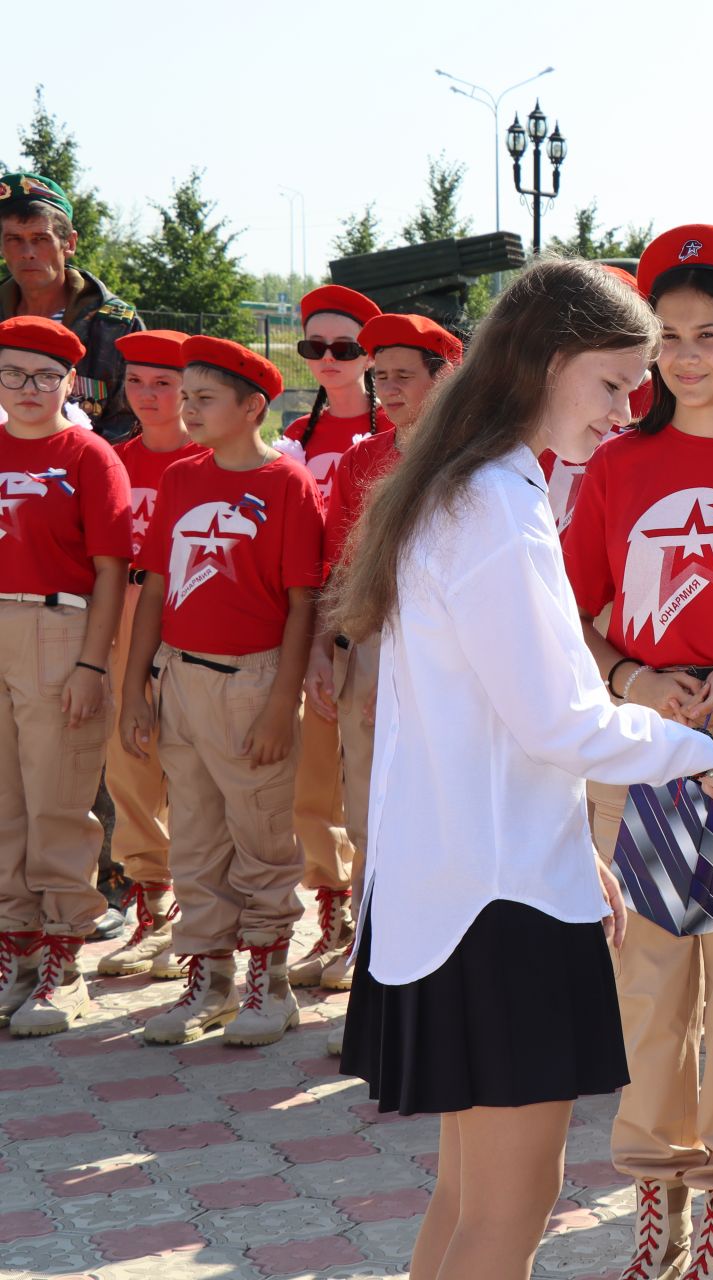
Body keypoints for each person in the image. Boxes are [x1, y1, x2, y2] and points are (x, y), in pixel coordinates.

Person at [327, 258, 713, 1280]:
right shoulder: (493, 508)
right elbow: (559, 720)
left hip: (477, 881)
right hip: (497, 906)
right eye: (613, 383)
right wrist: (708, 755)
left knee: (470, 1201)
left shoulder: (470, 490)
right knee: (506, 1215)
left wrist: (575, 848)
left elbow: (496, 725)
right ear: (549, 362)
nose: (628, 409)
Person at [559, 226, 713, 1278]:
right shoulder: (616, 464)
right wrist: (629, 679)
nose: (686, 356)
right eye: (668, 337)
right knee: (646, 992)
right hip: (642, 757)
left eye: (711, 334)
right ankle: (652, 1202)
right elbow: (566, 613)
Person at [117, 337, 320, 1046]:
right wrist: (136, 688)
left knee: (262, 835)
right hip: (180, 675)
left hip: (253, 679)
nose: (185, 408)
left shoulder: (288, 484)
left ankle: (273, 983)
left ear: (252, 407)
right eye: (184, 395)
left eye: (203, 398)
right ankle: (211, 981)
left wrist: (279, 703)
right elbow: (155, 588)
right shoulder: (180, 479)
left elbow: (302, 603)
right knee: (196, 840)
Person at [306, 313, 463, 1044]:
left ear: (445, 376)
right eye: (380, 374)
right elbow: (339, 571)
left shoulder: (475, 461)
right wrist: (324, 652)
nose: (387, 387)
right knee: (374, 819)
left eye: (404, 374)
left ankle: (450, 992)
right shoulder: (359, 460)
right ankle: (380, 995)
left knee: (451, 821)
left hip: (458, 662)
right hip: (373, 653)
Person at [0, 316, 132, 1036]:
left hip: (58, 629)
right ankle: (13, 951)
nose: (29, 388)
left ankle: (62, 962)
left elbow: (112, 569)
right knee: (3, 806)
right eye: (13, 373)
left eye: (45, 375)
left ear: (71, 382)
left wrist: (91, 661)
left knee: (57, 801)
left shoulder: (87, 455)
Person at [278, 285, 393, 994]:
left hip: (379, 630)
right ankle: (335, 917)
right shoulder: (295, 438)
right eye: (312, 347)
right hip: (319, 623)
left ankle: (382, 924)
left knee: (373, 787)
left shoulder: (394, 440)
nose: (328, 360)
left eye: (344, 348)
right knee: (313, 782)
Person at [96, 331, 206, 981]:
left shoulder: (208, 459)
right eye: (136, 381)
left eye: (162, 383)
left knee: (192, 777)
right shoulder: (112, 459)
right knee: (129, 768)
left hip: (193, 627)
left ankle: (199, 913)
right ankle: (152, 904)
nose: (146, 395)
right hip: (125, 625)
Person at [0, 173, 144, 440]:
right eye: (14, 239)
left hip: (84, 474)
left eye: (41, 238)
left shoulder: (114, 325)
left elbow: (134, 423)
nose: (27, 252)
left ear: (70, 243)